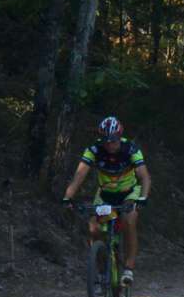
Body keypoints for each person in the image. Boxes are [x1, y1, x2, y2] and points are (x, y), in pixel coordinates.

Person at [61, 116, 153, 284]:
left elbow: (145, 177)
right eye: (106, 141)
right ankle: (103, 270)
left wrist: (143, 197)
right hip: (105, 193)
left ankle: (129, 268)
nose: (110, 145)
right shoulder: (94, 150)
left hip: (129, 192)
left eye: (113, 141)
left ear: (120, 137)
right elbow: (79, 176)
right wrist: (68, 197)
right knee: (94, 228)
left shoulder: (131, 149)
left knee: (129, 220)